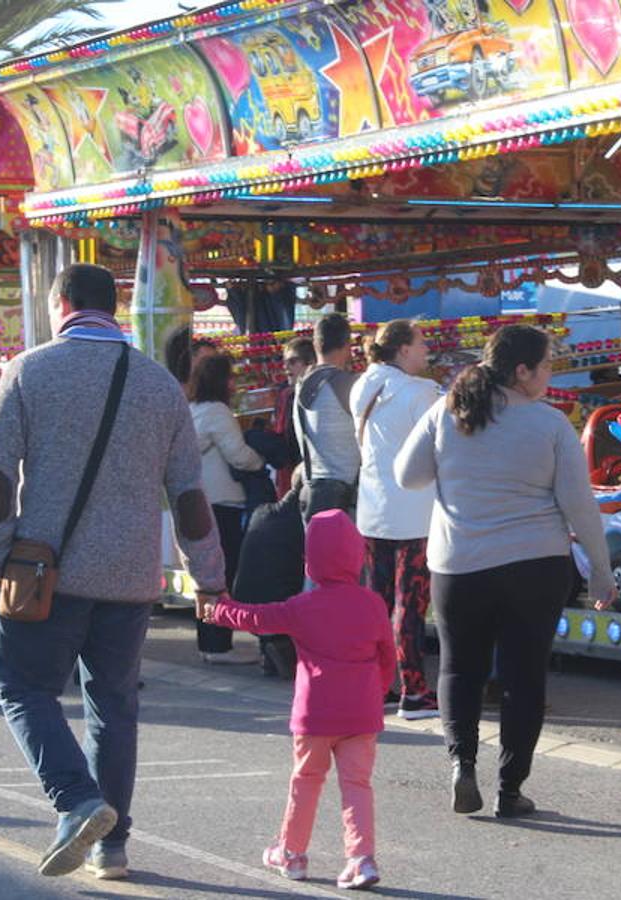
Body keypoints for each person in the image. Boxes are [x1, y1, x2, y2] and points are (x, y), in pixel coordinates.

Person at [0, 263, 226, 881]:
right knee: (113, 705)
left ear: (61, 303)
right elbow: (189, 496)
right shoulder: (160, 385)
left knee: (24, 686)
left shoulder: (29, 370)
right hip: (132, 577)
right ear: (112, 309)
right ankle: (113, 848)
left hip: (47, 573)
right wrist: (210, 577)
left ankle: (76, 800)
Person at [396, 324, 613, 818]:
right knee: (523, 678)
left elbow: (406, 477)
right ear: (522, 371)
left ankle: (462, 765)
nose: (550, 372)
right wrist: (601, 572)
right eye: (547, 364)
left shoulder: (447, 411)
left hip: (459, 564)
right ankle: (510, 789)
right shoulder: (551, 424)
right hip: (535, 564)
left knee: (458, 668)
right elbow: (580, 506)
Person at [200, 510, 394, 891]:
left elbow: (255, 618)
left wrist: (218, 609)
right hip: (362, 714)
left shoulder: (303, 607)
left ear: (311, 562)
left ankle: (292, 853)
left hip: (315, 715)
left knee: (306, 781)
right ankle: (360, 858)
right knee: (357, 784)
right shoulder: (372, 604)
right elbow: (387, 658)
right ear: (358, 557)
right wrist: (375, 692)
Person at [351, 320, 443, 720]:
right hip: (414, 511)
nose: (426, 351)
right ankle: (415, 690)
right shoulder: (419, 392)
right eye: (421, 344)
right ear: (403, 349)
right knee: (410, 603)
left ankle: (378, 684)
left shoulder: (362, 387)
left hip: (373, 509)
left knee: (377, 602)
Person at [190, 353, 265, 663]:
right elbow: (238, 455)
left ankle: (209, 642)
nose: (234, 383)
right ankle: (218, 644)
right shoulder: (218, 413)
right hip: (222, 501)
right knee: (222, 572)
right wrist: (260, 461)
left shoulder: (192, 409)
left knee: (205, 573)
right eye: (231, 377)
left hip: (199, 501)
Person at [233, 469, 306, 679]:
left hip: (243, 596)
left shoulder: (261, 511)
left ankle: (270, 646)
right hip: (274, 602)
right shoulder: (301, 523)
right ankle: (280, 643)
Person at [294, 313, 359, 519]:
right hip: (343, 497)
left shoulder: (301, 384)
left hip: (311, 491)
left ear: (315, 343)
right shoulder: (346, 384)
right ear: (347, 345)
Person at [274, 337, 314, 497]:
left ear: (310, 362)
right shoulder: (285, 395)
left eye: (292, 362)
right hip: (291, 471)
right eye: (285, 362)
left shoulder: (319, 393)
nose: (286, 367)